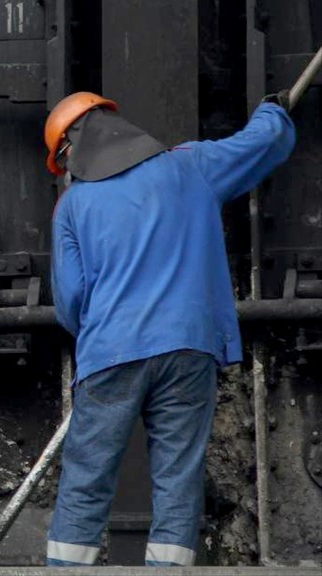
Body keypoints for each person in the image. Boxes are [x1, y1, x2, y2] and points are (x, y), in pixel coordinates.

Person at [43, 90, 295, 568]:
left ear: (70, 147)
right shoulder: (190, 166)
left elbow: (71, 302)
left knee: (88, 475)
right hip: (189, 347)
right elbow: (260, 144)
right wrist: (271, 109)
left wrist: (101, 335)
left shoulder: (73, 206)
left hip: (111, 352)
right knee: (178, 474)